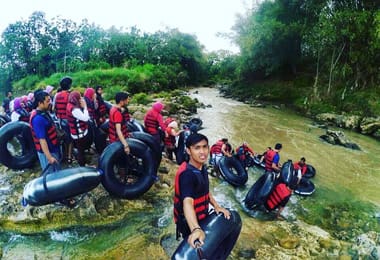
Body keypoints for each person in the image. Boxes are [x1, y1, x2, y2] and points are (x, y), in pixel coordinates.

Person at [173, 133, 231, 248]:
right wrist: (195, 229)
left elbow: (204, 191)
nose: (202, 152)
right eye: (197, 148)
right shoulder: (187, 175)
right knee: (194, 246)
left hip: (201, 216)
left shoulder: (201, 167)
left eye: (205, 147)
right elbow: (187, 202)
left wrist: (216, 206)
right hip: (189, 222)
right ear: (188, 151)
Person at [29, 90, 61, 173]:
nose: (49, 103)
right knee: (51, 175)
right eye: (47, 101)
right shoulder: (38, 119)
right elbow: (42, 140)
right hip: (48, 152)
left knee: (57, 172)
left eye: (49, 100)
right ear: (40, 103)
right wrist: (49, 157)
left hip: (53, 148)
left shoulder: (43, 112)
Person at [109, 92, 131, 183]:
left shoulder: (113, 108)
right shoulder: (117, 113)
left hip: (113, 139)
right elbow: (118, 130)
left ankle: (120, 175)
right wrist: (125, 144)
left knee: (119, 159)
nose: (128, 100)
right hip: (118, 141)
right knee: (123, 160)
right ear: (122, 101)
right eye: (127, 99)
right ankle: (123, 180)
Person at [66, 91, 91, 167]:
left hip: (75, 133)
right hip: (78, 134)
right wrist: (85, 106)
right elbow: (85, 118)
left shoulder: (70, 104)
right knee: (81, 151)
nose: (80, 99)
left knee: (81, 150)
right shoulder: (74, 109)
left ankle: (83, 163)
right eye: (79, 98)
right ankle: (83, 166)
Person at [53, 76, 73, 164]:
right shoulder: (69, 96)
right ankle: (69, 156)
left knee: (63, 138)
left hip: (60, 120)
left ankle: (63, 155)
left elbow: (54, 109)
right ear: (69, 85)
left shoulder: (57, 96)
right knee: (70, 139)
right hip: (68, 120)